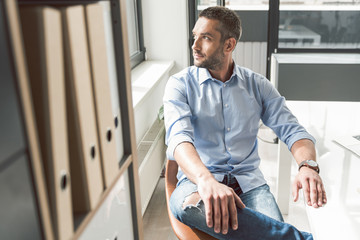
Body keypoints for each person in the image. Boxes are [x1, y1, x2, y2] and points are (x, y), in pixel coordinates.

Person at [163, 6, 326, 240]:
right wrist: (206, 180)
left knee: (265, 231)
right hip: (198, 181)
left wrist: (307, 166)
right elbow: (179, 139)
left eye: (206, 38)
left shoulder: (257, 85)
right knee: (187, 206)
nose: (195, 45)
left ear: (229, 45)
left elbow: (293, 130)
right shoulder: (179, 85)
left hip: (249, 184)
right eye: (194, 36)